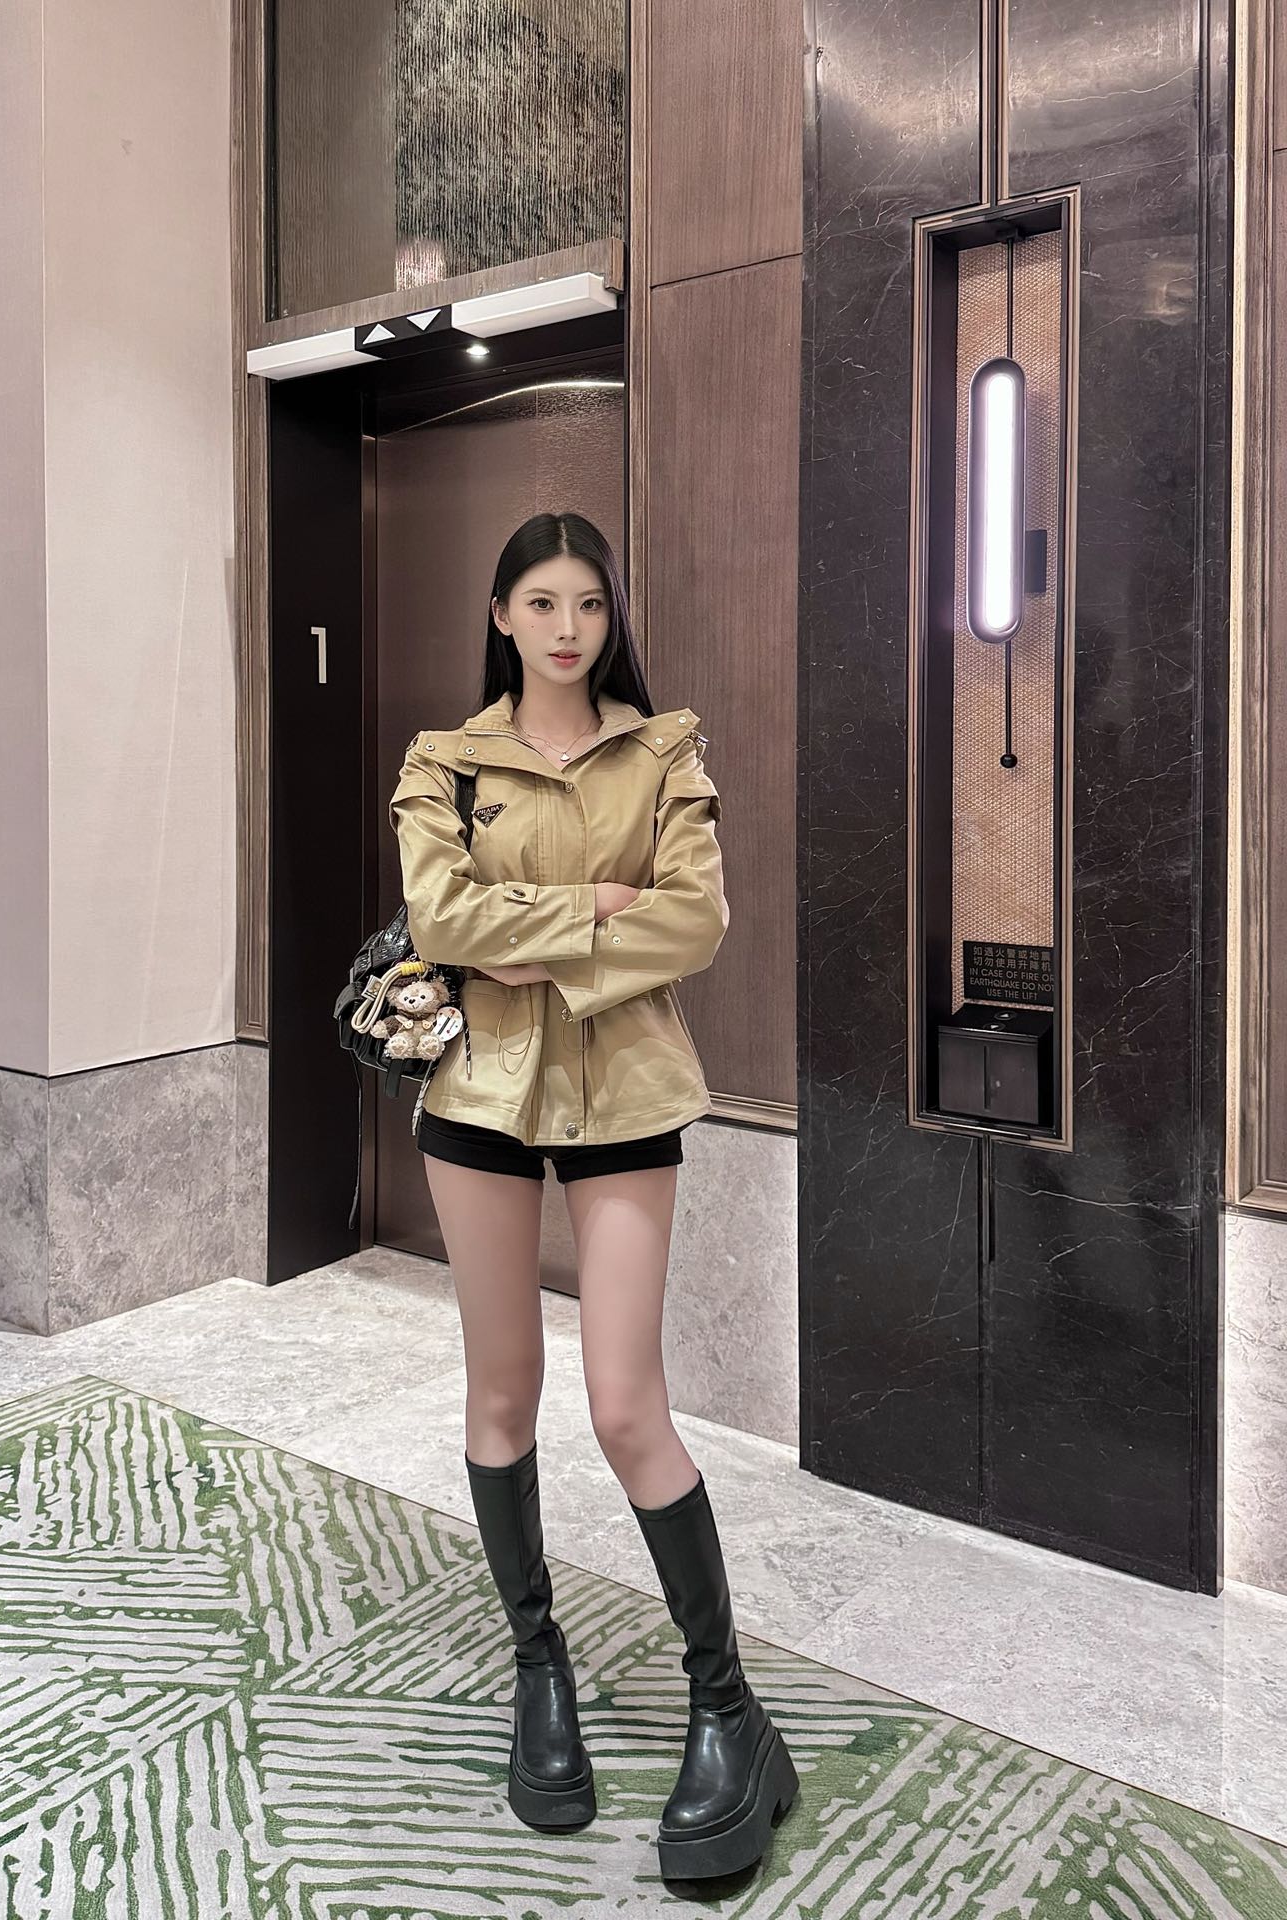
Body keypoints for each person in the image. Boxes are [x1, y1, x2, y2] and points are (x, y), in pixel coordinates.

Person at [387, 511, 798, 1883]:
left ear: (611, 616)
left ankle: (728, 1710)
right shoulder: (444, 765)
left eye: (590, 603)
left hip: (627, 1094)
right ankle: (539, 1667)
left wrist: (533, 935)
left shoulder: (663, 751)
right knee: (502, 1392)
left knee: (627, 1406)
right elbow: (441, 923)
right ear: (501, 614)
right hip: (479, 1102)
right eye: (542, 602)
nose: (568, 628)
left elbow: (698, 920)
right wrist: (596, 910)